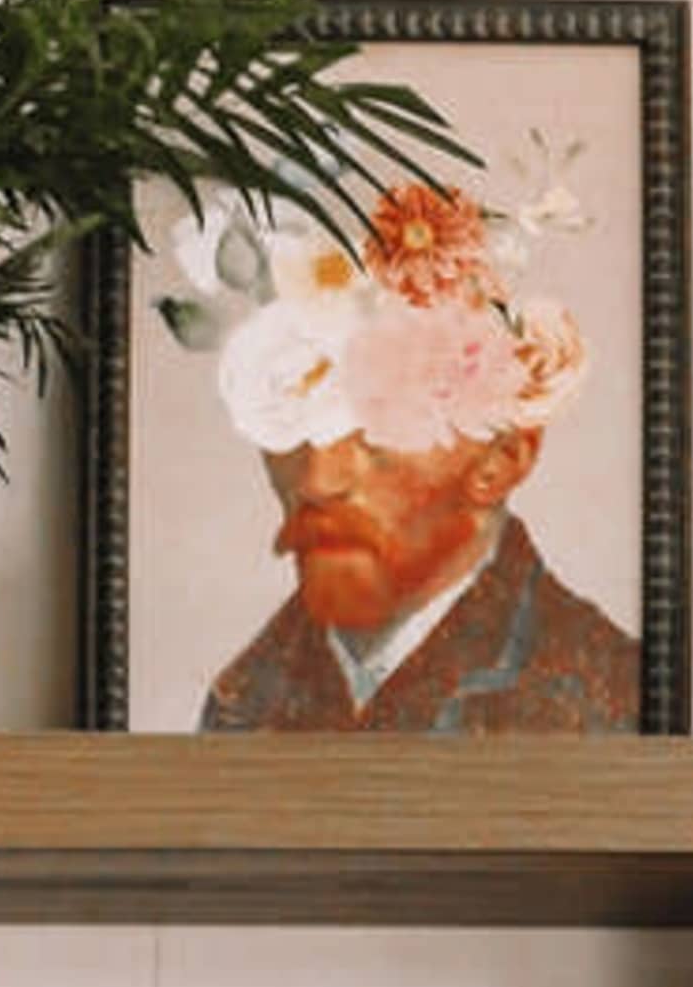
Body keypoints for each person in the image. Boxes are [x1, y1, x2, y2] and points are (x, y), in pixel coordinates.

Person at [184, 176, 641, 736]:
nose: (318, 479)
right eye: (295, 424)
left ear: (502, 458)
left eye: (377, 427)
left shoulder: (605, 696)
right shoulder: (244, 699)